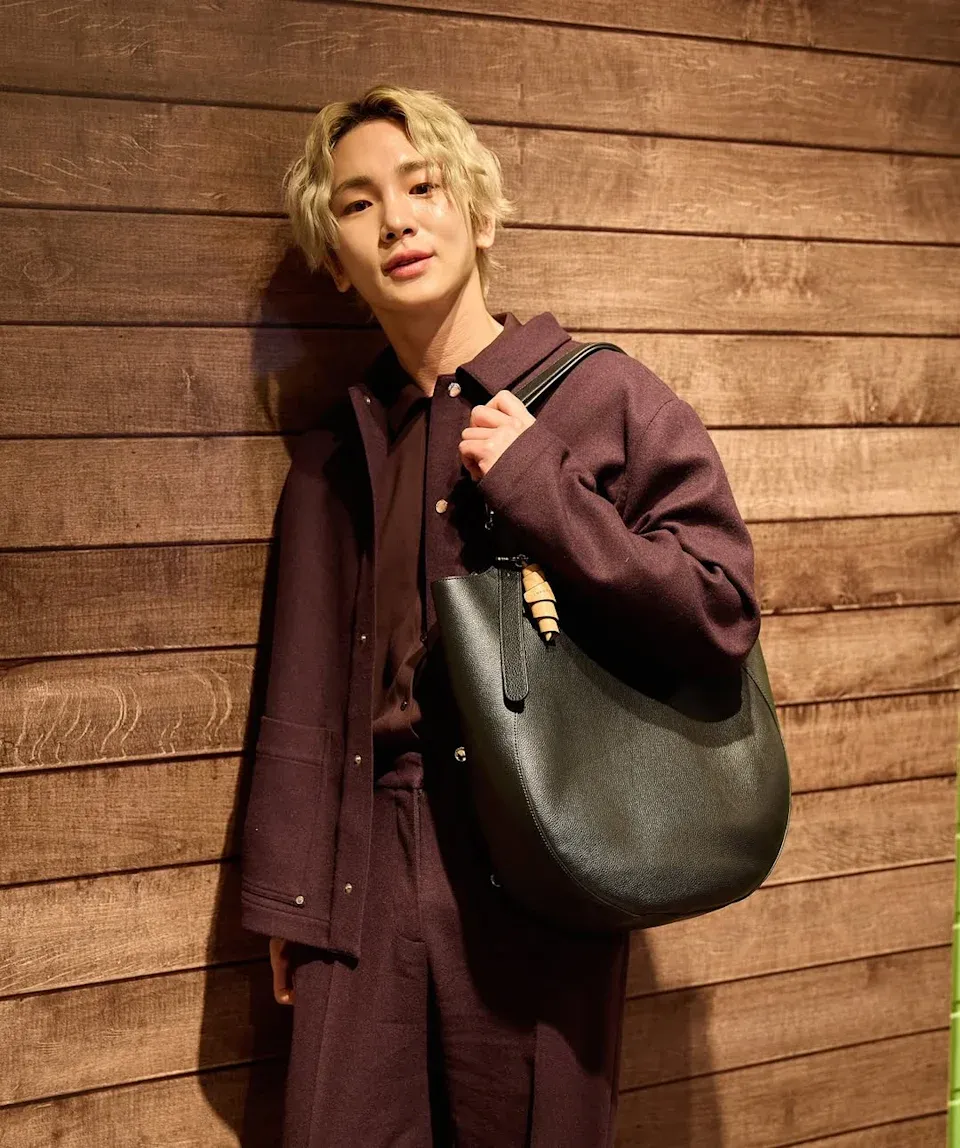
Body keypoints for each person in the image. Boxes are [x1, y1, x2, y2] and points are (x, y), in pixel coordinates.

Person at [239, 84, 761, 1147]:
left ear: (478, 212)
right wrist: (291, 893)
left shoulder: (603, 399)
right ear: (336, 257)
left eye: (422, 186)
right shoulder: (336, 457)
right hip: (361, 863)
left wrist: (540, 485)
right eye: (358, 203)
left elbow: (720, 610)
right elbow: (301, 681)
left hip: (541, 848)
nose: (396, 220)